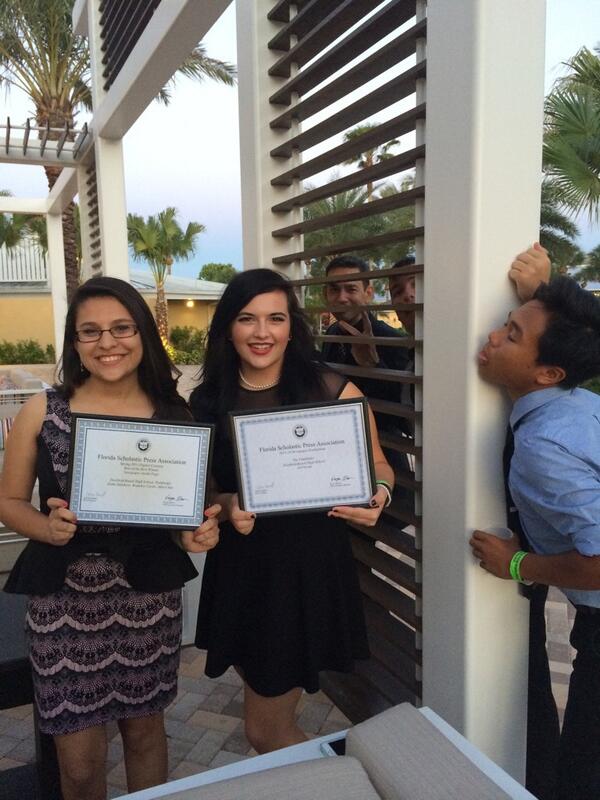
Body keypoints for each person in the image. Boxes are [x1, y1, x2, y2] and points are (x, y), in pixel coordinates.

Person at [0, 277, 220, 800]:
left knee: (145, 733)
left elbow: (183, 512)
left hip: (147, 600)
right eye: (90, 331)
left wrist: (195, 533)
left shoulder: (175, 414)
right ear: (75, 343)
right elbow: (7, 502)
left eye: (121, 328)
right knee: (78, 763)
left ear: (142, 334)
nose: (108, 343)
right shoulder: (44, 410)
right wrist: (44, 527)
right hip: (62, 602)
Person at [189, 268, 394, 754]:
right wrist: (226, 503)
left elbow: (379, 465)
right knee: (267, 711)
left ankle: (342, 784)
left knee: (265, 730)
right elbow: (209, 491)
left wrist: (379, 495)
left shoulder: (329, 388)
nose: (262, 333)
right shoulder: (206, 400)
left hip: (304, 571)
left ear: (291, 325)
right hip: (241, 571)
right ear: (227, 327)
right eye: (247, 319)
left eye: (275, 319)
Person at [470, 274, 600, 800]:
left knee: (581, 780)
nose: (495, 336)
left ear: (548, 372)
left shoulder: (544, 444)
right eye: (505, 325)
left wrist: (519, 564)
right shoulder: (579, 405)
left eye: (513, 335)